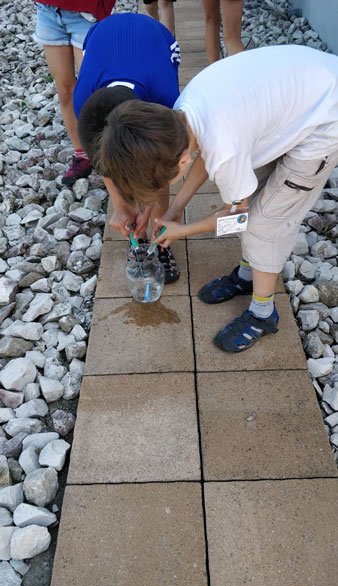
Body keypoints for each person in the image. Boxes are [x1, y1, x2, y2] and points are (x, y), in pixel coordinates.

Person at [91, 44, 338, 352]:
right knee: (254, 187)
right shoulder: (180, 115)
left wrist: (184, 230)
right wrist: (175, 210)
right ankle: (249, 274)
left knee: (264, 223)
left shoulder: (224, 148)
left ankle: (263, 312)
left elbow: (238, 218)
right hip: (295, 94)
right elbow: (203, 153)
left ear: (180, 163)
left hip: (326, 119)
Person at [75, 12, 181, 283]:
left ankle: (159, 240)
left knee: (154, 158)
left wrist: (149, 207)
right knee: (125, 165)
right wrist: (121, 204)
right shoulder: (84, 105)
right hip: (101, 35)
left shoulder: (166, 98)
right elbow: (104, 161)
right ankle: (140, 238)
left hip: (154, 38)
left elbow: (163, 160)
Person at [33, 0, 115, 186]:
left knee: (94, 91)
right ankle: (82, 153)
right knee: (64, 89)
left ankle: (109, 151)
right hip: (48, 11)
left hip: (85, 14)